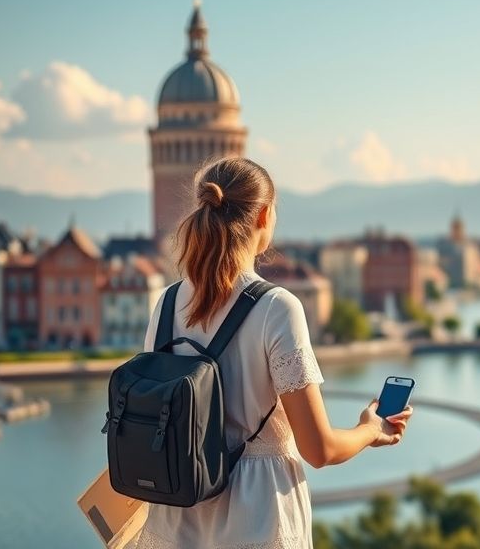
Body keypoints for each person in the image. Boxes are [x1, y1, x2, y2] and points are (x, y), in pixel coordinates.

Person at [131, 157, 413, 549]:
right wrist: (372, 429)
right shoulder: (276, 308)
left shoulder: (166, 303)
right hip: (259, 514)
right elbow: (319, 449)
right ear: (264, 215)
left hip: (177, 515)